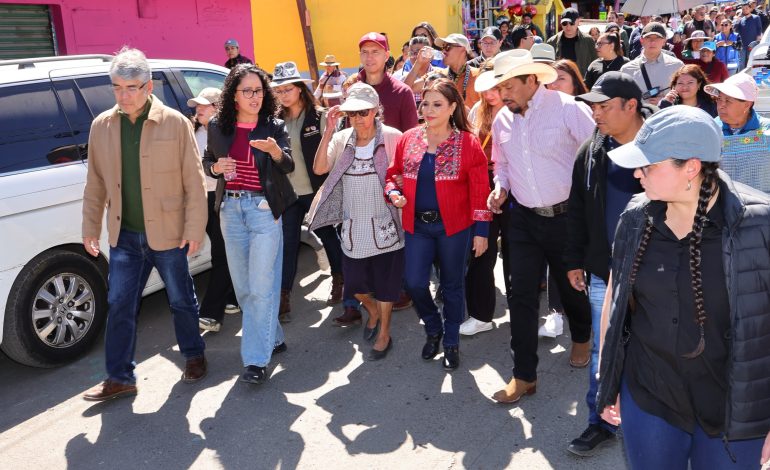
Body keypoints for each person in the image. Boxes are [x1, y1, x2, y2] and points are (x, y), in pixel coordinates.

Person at [596, 105, 770, 470]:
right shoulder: (634, 217)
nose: (637, 173)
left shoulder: (759, 225)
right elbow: (615, 298)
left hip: (736, 408)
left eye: (649, 165)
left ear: (691, 167)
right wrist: (608, 376)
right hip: (650, 395)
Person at [81, 47, 208, 401]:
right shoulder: (102, 126)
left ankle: (194, 356)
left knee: (181, 299)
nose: (124, 95)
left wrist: (194, 229)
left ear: (149, 86)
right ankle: (120, 376)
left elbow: (194, 182)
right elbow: (95, 183)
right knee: (120, 303)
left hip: (168, 231)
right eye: (117, 88)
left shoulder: (175, 123)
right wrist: (90, 228)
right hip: (125, 234)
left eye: (132, 87)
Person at [484, 50, 594, 403]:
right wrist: (500, 187)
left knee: (572, 286)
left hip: (566, 219)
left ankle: (582, 336)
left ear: (532, 80)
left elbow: (597, 153)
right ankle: (524, 375)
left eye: (509, 86)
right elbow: (501, 165)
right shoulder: (502, 119)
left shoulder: (567, 108)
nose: (503, 95)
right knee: (520, 295)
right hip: (523, 220)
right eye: (499, 88)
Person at [563, 72, 647, 456]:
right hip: (603, 272)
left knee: (654, 350)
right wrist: (574, 260)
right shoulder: (592, 149)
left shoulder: (661, 148)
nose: (596, 114)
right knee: (604, 350)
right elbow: (577, 209)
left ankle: (651, 424)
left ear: (632, 106)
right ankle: (599, 422)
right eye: (593, 107)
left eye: (604, 106)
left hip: (654, 275)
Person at [384, 78, 491, 370]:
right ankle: (434, 327)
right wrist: (393, 193)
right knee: (415, 283)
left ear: (453, 107)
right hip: (417, 226)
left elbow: (480, 191)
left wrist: (481, 232)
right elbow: (393, 175)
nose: (428, 110)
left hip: (454, 228)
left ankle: (452, 340)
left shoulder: (468, 143)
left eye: (437, 104)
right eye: (425, 103)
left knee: (452, 285)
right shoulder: (409, 139)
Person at [203, 64, 296, 384]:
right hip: (230, 209)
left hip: (262, 208)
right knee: (244, 288)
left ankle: (255, 361)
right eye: (248, 91)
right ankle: (275, 336)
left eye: (259, 90)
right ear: (233, 96)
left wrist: (274, 152)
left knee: (259, 286)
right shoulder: (218, 127)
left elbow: (289, 164)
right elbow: (207, 162)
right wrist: (216, 167)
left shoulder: (274, 125)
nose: (255, 97)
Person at [308, 83, 404, 360]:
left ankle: (384, 331)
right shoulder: (343, 139)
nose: (358, 118)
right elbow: (319, 169)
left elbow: (408, 170)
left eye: (363, 112)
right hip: (353, 225)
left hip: (386, 221)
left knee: (387, 284)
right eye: (352, 113)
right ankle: (371, 310)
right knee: (355, 284)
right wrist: (328, 130)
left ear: (375, 111)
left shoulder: (392, 137)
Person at [271, 61, 344, 322]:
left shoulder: (320, 116)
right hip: (289, 192)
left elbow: (333, 154)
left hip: (316, 189)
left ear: (300, 89)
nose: (283, 94)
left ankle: (339, 279)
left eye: (287, 89)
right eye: (278, 91)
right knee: (287, 243)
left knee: (328, 235)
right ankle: (283, 295)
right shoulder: (275, 121)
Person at [461, 59, 510, 336]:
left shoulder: (517, 110)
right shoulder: (478, 110)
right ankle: (480, 315)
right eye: (486, 89)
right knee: (481, 249)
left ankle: (523, 313)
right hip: (482, 182)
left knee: (516, 253)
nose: (490, 94)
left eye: (495, 88)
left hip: (515, 184)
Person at [188, 88, 241, 333]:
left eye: (205, 105)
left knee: (221, 252)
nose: (198, 110)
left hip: (225, 197)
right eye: (197, 106)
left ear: (218, 108)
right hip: (201, 199)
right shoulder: (193, 132)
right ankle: (232, 296)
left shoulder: (228, 132)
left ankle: (211, 312)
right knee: (224, 250)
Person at [705, 72, 770, 192]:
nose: (721, 106)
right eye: (719, 99)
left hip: (763, 206)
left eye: (728, 101)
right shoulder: (710, 129)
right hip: (722, 207)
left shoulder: (767, 130)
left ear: (747, 104)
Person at [620, 22, 684, 106]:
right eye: (648, 37)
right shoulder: (627, 69)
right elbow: (622, 99)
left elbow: (686, 94)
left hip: (668, 116)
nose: (652, 41)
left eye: (657, 38)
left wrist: (665, 101)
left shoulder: (677, 66)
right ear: (641, 40)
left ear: (664, 41)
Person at [433, 33, 481, 108]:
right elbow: (410, 86)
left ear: (462, 49)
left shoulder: (479, 75)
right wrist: (419, 64)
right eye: (443, 47)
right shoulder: (439, 75)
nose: (444, 51)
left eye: (448, 47)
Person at [546, 8, 597, 76]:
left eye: (571, 23)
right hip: (559, 82)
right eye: (564, 23)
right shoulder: (552, 42)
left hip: (582, 83)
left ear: (578, 21)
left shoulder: (588, 41)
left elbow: (595, 63)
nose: (568, 26)